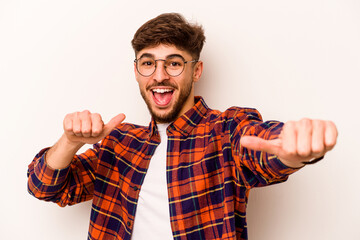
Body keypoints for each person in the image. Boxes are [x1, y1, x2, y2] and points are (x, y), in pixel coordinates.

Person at [27, 13, 338, 240]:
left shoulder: (226, 130)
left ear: (196, 70)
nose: (159, 75)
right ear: (137, 72)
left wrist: (294, 149)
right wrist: (69, 141)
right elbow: (44, 188)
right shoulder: (119, 143)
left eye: (174, 63)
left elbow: (262, 148)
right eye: (148, 63)